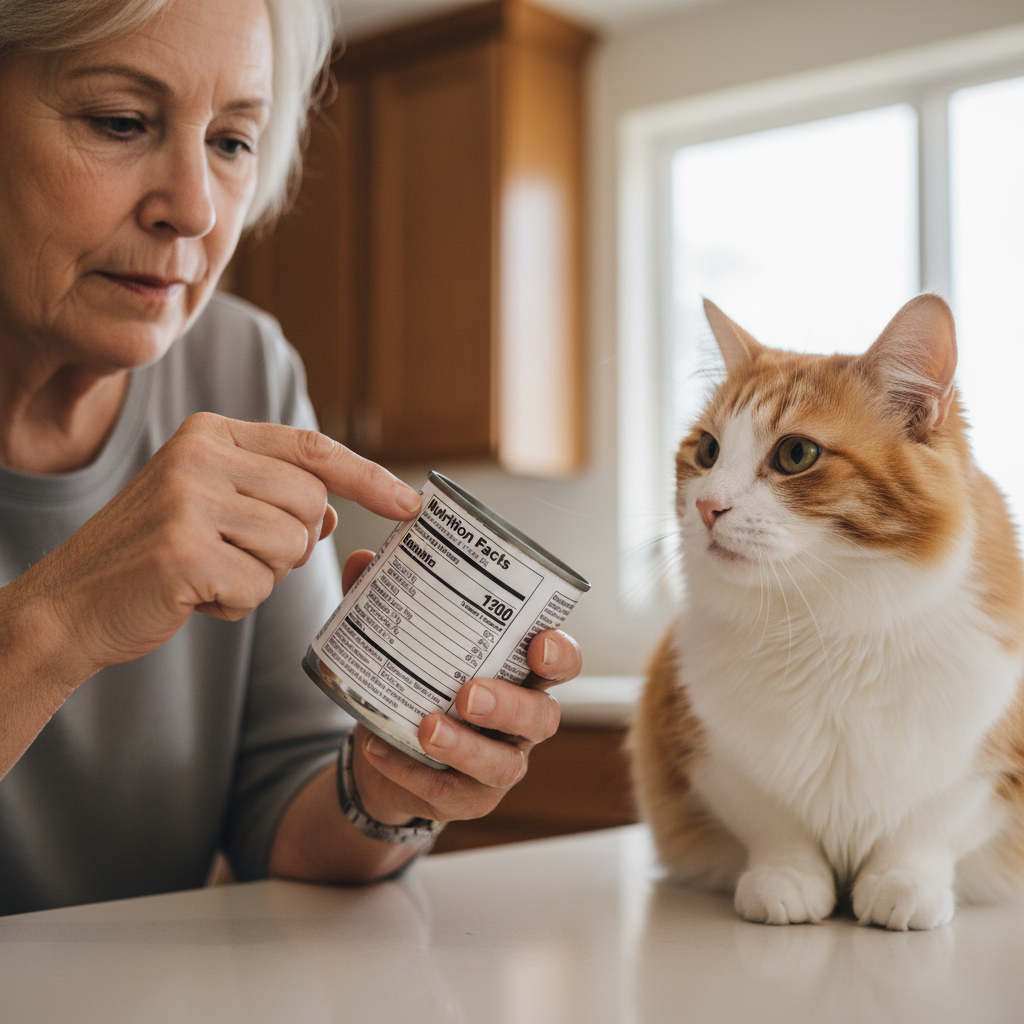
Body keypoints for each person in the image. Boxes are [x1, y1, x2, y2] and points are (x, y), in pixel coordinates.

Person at [0, 0, 582, 917]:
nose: (193, 209)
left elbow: (284, 813)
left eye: (233, 141)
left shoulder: (244, 365)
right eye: (120, 122)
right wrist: (55, 623)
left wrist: (389, 788)